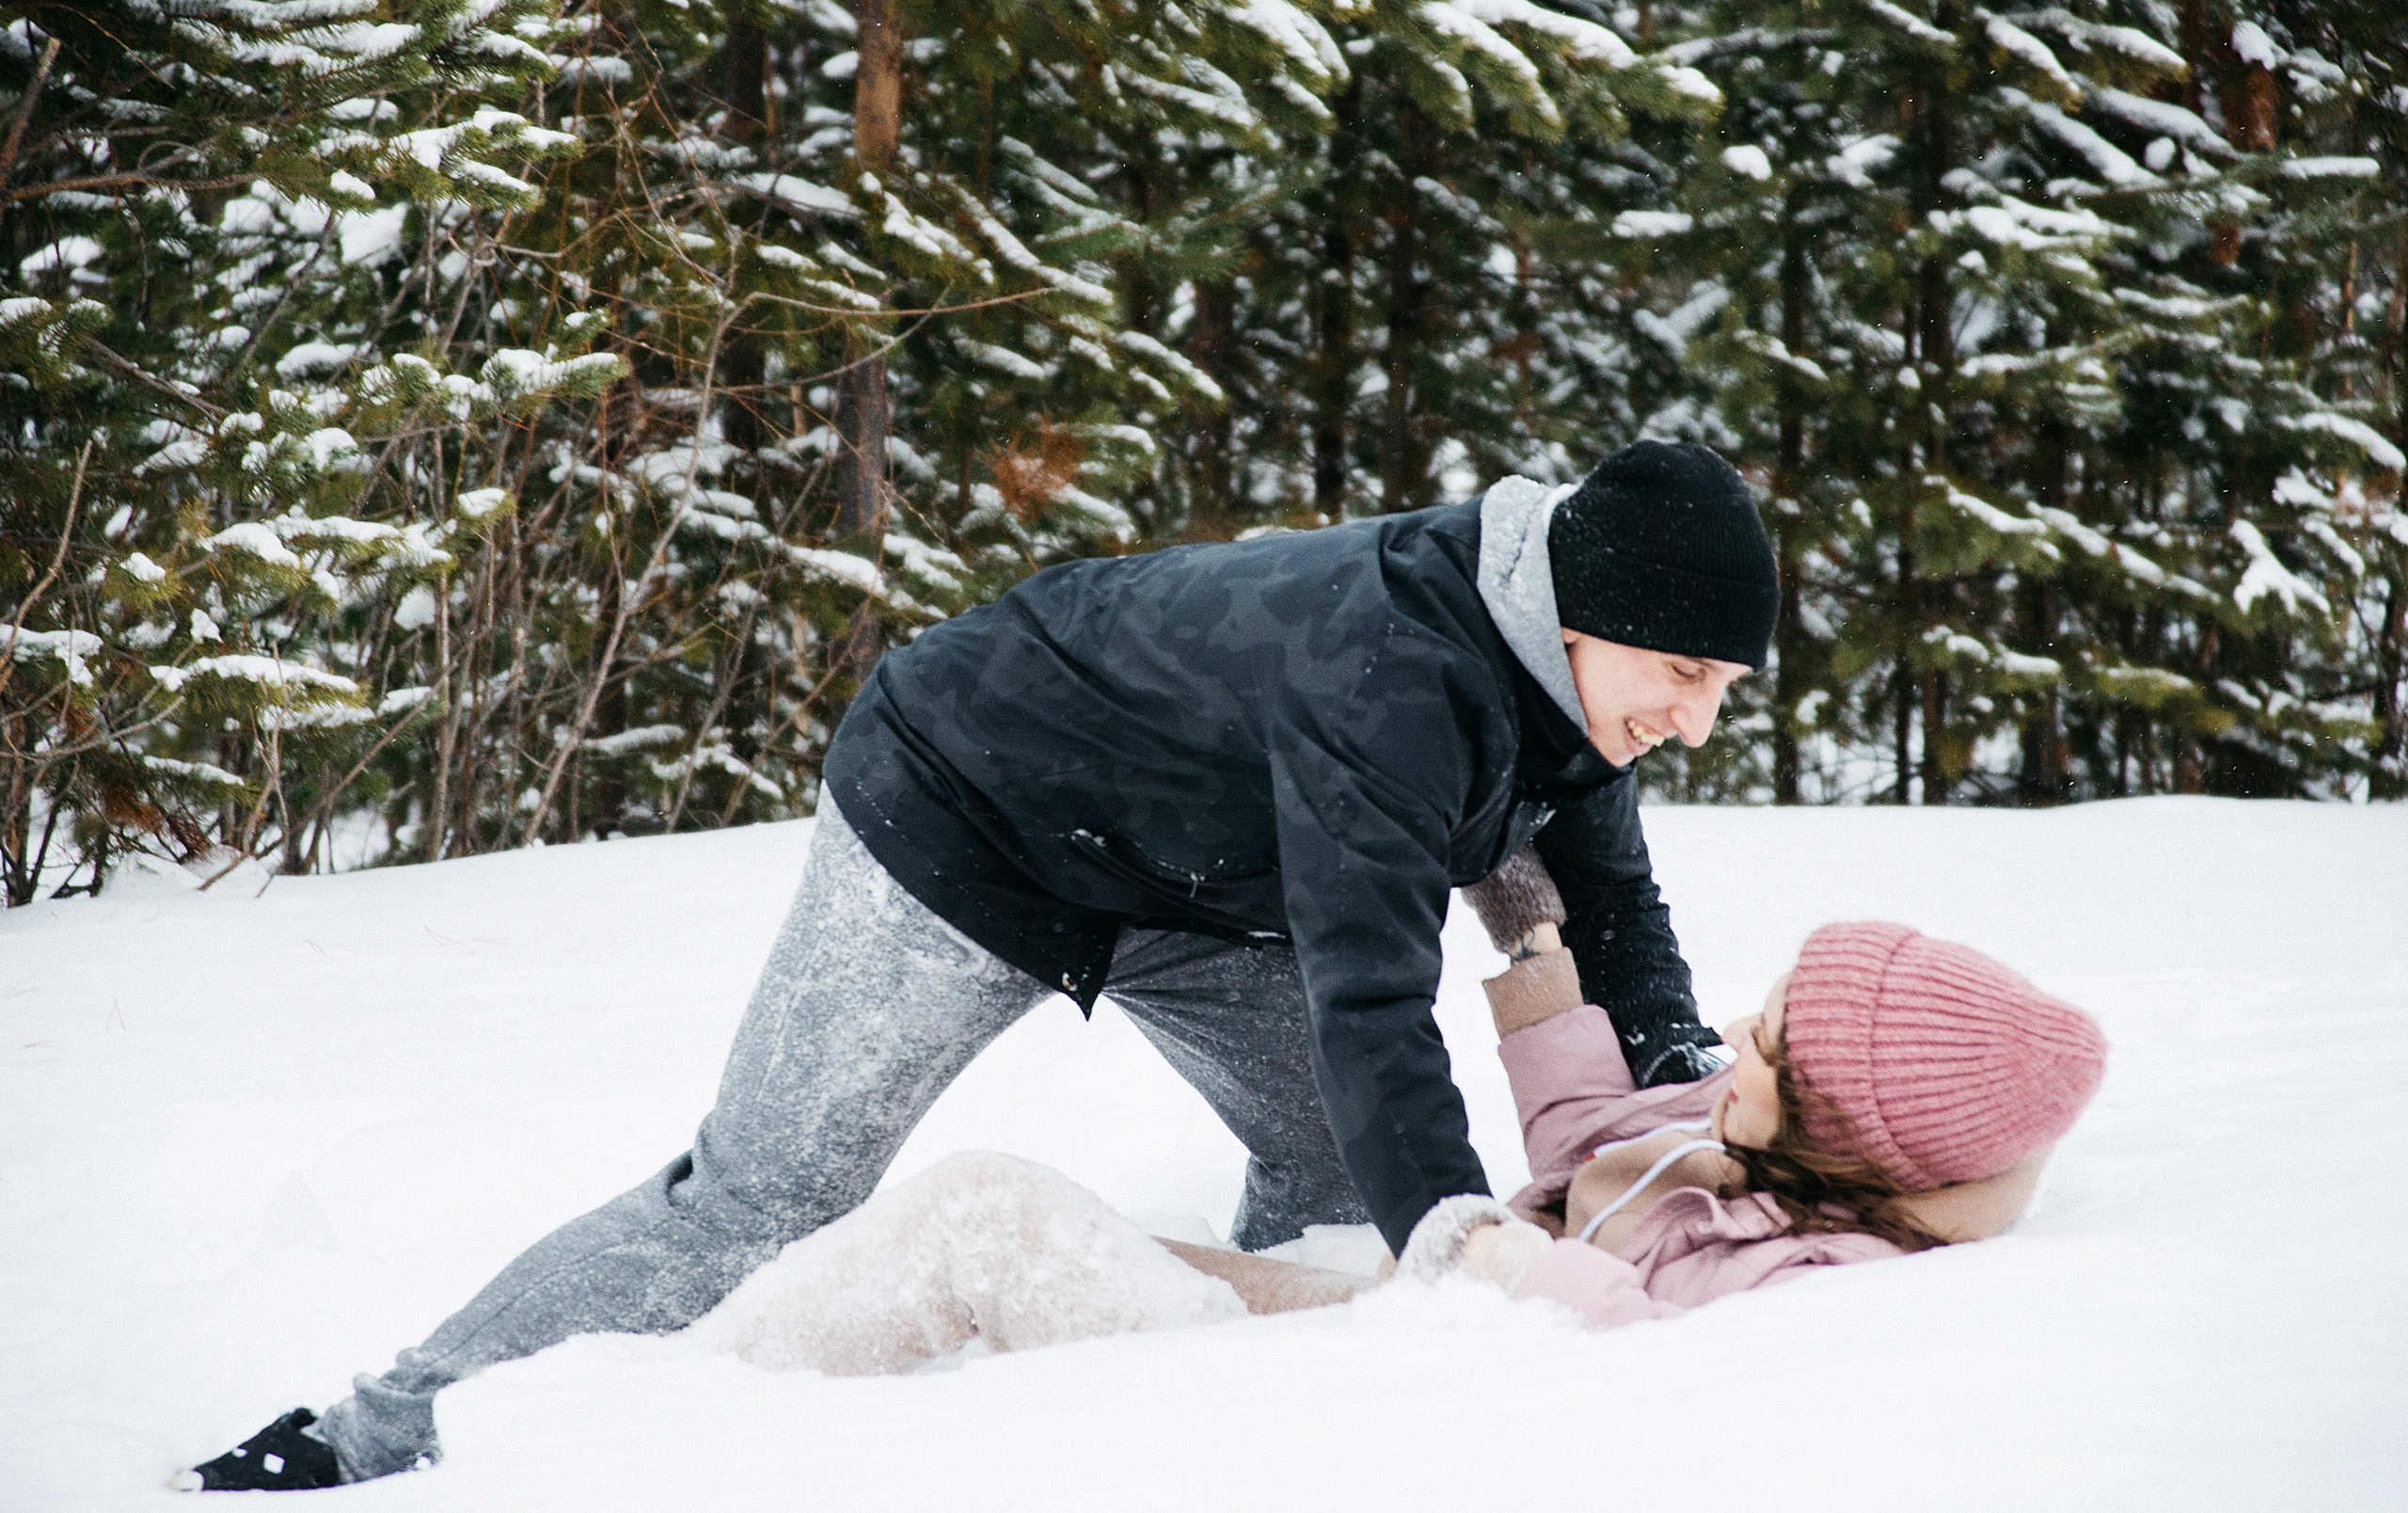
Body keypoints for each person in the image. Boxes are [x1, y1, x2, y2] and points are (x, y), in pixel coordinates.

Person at [181, 442, 1782, 1490]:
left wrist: (1698, 1107)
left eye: (1724, 687)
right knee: (760, 1193)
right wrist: (1462, 1242)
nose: (1695, 718)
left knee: (1325, 1167)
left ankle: (1268, 1439)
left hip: (1206, 881)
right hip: (966, 807)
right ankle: (373, 1437)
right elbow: (1373, 988)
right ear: (1581, 614)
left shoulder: (1569, 687)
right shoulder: (1394, 671)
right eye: (1682, 675)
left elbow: (1619, 915)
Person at [515, 910, 2111, 1387]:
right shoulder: (1762, 1151)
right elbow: (1591, 1144)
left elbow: (1632, 1335)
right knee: (979, 1230)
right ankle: (705, 1404)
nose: (1738, 1043)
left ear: (1855, 1126)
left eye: (1777, 1046)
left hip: (1372, 1399)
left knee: (983, 1214)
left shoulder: (1821, 1275)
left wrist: (1488, 1246)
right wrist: (1539, 961)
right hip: (1381, 1315)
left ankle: (656, 1428)